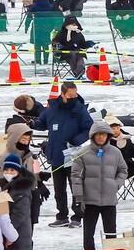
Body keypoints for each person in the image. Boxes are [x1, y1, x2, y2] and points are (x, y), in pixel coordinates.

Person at [34, 81, 93, 229]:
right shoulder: (52, 108)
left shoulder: (80, 109)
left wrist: (76, 140)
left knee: (76, 188)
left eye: (75, 95)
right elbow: (42, 123)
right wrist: (32, 124)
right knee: (59, 189)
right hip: (56, 154)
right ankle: (62, 216)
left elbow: (89, 128)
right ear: (62, 94)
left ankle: (78, 216)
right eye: (70, 95)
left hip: (73, 155)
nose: (73, 98)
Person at [69, 121, 128, 250]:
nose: (101, 137)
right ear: (93, 135)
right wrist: (78, 196)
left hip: (109, 200)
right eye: (98, 134)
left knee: (111, 232)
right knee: (89, 232)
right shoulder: (83, 153)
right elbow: (76, 176)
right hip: (90, 201)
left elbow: (123, 171)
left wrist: (115, 185)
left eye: (104, 134)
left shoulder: (115, 152)